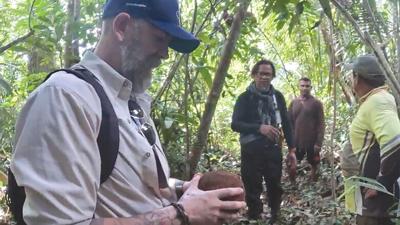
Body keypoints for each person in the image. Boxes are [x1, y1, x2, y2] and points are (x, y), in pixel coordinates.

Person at [9, 0, 246, 224]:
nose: (165, 54)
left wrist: (184, 189)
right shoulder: (66, 96)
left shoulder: (129, 100)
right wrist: (182, 214)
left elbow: (136, 187)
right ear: (122, 26)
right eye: (159, 38)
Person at [231, 59, 295, 224]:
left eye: (268, 74)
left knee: (274, 183)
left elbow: (286, 123)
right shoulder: (244, 98)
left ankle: (275, 214)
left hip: (273, 148)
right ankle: (255, 215)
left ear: (272, 76)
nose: (265, 77)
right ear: (254, 75)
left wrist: (292, 149)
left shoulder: (277, 97)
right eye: (261, 74)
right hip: (251, 149)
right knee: (252, 185)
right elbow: (236, 124)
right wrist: (259, 128)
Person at [344, 55, 400, 225]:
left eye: (351, 75)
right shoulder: (376, 99)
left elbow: (395, 141)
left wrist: (381, 182)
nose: (349, 79)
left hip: (376, 203)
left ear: (358, 77)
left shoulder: (378, 101)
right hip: (367, 194)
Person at [288, 77, 325, 182]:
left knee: (314, 163)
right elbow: (289, 123)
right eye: (302, 86)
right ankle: (292, 184)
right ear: (299, 87)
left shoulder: (316, 103)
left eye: (307, 86)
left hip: (311, 141)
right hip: (297, 141)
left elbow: (321, 124)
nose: (305, 88)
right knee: (292, 165)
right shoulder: (293, 103)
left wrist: (318, 143)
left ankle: (313, 182)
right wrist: (290, 142)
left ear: (311, 87)